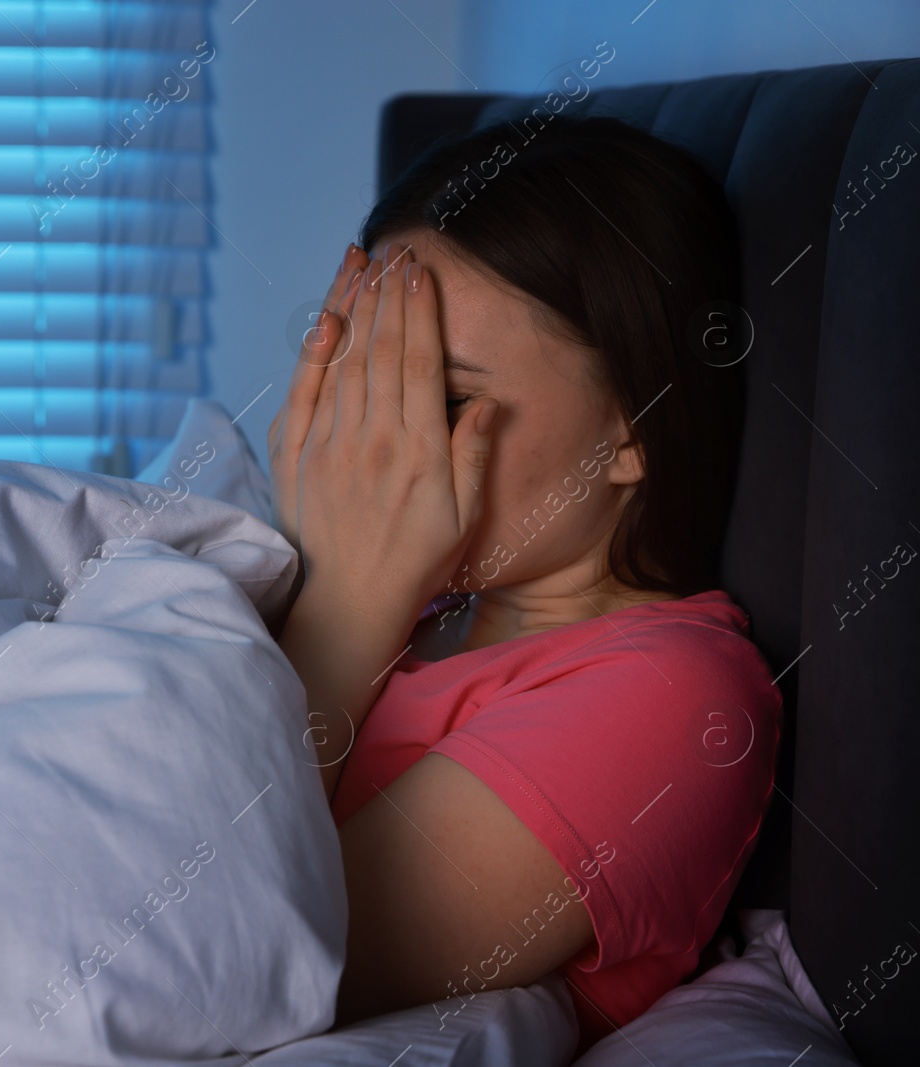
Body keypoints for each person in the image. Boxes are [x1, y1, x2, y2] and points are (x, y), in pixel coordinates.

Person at [266, 115, 781, 1057]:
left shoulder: (676, 698)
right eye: (366, 379)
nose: (378, 439)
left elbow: (247, 957)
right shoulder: (429, 599)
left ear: (635, 426)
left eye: (444, 396)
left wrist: (342, 599)